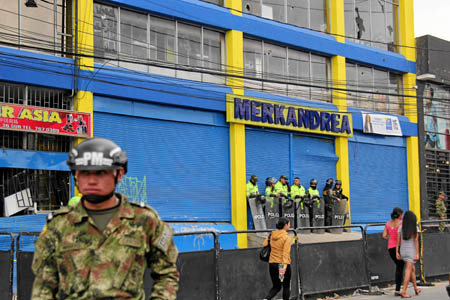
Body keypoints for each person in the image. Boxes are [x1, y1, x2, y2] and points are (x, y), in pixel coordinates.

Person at [31, 137, 179, 299]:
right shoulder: (58, 225)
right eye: (85, 173)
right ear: (75, 175)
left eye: (101, 172)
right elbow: (44, 283)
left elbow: (166, 274)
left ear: (119, 174)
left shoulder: (145, 220)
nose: (92, 181)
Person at [262, 217, 292, 300]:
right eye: (289, 224)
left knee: (276, 286)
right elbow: (285, 254)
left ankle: (266, 299)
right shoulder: (286, 237)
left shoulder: (271, 234)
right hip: (282, 265)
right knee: (286, 286)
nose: (289, 226)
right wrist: (284, 269)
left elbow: (264, 244)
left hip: (272, 264)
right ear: (285, 225)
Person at [396, 211, 420, 298]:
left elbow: (398, 241)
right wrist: (417, 253)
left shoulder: (401, 227)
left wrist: (397, 252)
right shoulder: (415, 228)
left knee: (412, 269)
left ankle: (416, 288)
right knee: (408, 270)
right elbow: (416, 241)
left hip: (403, 251)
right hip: (411, 251)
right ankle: (404, 291)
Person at [382, 207, 404, 296]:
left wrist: (390, 238)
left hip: (390, 247)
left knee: (399, 266)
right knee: (402, 267)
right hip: (399, 247)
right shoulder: (401, 223)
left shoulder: (387, 223)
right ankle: (399, 289)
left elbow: (383, 235)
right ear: (399, 215)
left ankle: (399, 288)